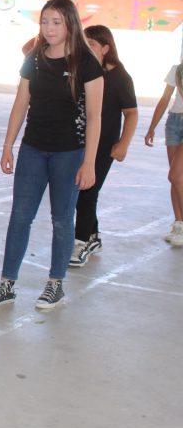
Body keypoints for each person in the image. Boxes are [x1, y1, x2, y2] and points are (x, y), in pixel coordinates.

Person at [0, 0, 104, 310]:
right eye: (45, 21)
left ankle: (55, 283)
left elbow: (94, 116)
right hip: (33, 149)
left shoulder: (86, 63)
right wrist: (8, 144)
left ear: (70, 24)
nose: (49, 28)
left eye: (56, 22)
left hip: (69, 153)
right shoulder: (34, 58)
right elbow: (21, 101)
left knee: (62, 220)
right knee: (20, 216)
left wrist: (89, 162)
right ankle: (7, 282)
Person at [69, 25, 138, 266]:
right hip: (80, 141)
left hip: (104, 145)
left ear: (106, 48)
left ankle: (80, 243)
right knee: (84, 190)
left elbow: (131, 113)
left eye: (93, 45)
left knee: (87, 192)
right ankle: (93, 235)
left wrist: (123, 144)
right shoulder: (84, 70)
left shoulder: (119, 77)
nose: (86, 49)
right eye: (84, 44)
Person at [144, 59, 183, 247]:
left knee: (176, 176)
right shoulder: (177, 70)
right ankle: (178, 224)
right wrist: (152, 127)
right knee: (175, 178)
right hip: (174, 122)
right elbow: (165, 98)